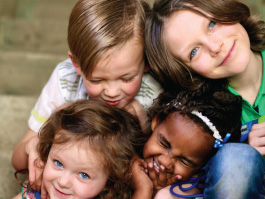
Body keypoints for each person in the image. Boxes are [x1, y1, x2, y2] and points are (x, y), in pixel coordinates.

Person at [12, 0, 162, 193]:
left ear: (146, 61)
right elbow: (18, 163)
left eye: (127, 78)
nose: (112, 92)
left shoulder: (153, 93)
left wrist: (142, 123)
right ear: (77, 65)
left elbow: (157, 173)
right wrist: (33, 146)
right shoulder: (65, 81)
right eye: (97, 80)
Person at [145, 0, 265, 156]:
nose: (215, 47)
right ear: (185, 72)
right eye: (194, 52)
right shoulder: (204, 123)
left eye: (211, 24)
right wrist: (246, 154)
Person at [131, 82, 265, 199]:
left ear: (203, 166)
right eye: (164, 143)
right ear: (157, 121)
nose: (165, 162)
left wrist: (149, 191)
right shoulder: (123, 152)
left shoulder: (190, 189)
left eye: (184, 161)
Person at [13, 99, 145, 199]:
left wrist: (143, 190)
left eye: (84, 175)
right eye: (58, 163)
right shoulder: (38, 189)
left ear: (111, 178)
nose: (63, 182)